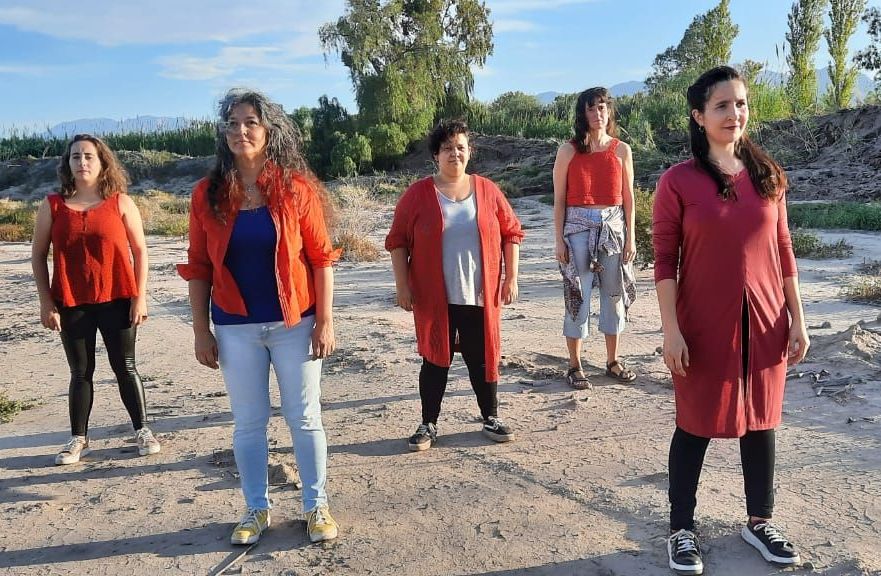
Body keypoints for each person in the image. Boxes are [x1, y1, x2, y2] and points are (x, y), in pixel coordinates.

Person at [653, 66, 809, 575]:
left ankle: (760, 521)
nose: (734, 113)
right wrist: (671, 330)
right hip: (702, 323)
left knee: (761, 421)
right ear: (699, 116)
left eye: (740, 103)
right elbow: (664, 261)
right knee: (694, 422)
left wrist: (798, 318)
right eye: (721, 105)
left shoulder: (768, 175)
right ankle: (681, 528)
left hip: (765, 320)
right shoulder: (679, 181)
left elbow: (784, 250)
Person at [177, 88, 340, 545]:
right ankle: (255, 508)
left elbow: (321, 258)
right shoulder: (207, 194)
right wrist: (201, 331)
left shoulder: (296, 189)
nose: (240, 131)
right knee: (249, 422)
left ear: (269, 130)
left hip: (295, 323)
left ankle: (316, 506)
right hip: (235, 326)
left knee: (304, 417)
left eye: (250, 122)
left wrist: (325, 321)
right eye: (232, 123)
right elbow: (198, 266)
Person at [386, 119, 524, 451]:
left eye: (460, 147)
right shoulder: (418, 194)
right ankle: (428, 424)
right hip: (435, 296)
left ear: (469, 152)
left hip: (480, 293)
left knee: (481, 357)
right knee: (436, 359)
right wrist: (402, 286)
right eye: (447, 148)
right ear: (436, 154)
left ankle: (490, 417)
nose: (455, 154)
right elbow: (397, 241)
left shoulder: (488, 190)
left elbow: (511, 233)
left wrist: (511, 277)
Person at [32, 134, 160, 465]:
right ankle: (79, 438)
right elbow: (38, 256)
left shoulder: (121, 202)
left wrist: (140, 298)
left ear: (102, 162)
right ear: (68, 163)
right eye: (75, 156)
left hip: (118, 298)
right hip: (71, 301)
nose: (82, 162)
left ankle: (142, 430)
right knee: (80, 371)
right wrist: (47, 303)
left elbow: (140, 252)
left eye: (89, 156)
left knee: (125, 366)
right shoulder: (52, 205)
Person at [552, 87, 637, 390]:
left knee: (613, 295)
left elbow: (628, 198)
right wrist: (559, 240)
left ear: (609, 111)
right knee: (578, 294)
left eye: (602, 107)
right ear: (583, 114)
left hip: (613, 228)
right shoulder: (568, 151)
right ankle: (575, 365)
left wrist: (631, 238)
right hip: (577, 228)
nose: (597, 113)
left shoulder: (622, 150)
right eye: (591, 108)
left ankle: (612, 361)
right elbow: (559, 199)